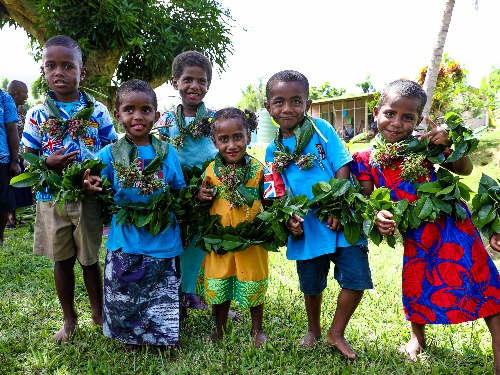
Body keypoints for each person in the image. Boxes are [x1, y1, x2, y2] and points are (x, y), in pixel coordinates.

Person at [350, 79, 500, 372]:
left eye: (408, 117)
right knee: (416, 283)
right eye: (390, 113)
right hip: (417, 236)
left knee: (486, 285)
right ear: (377, 111)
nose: (397, 123)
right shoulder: (365, 159)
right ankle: (417, 339)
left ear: (419, 121)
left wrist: (449, 144)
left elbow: (465, 169)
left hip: (456, 227)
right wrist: (378, 215)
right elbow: (369, 199)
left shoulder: (424, 147)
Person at [264, 70, 373, 359]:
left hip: (341, 218)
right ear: (268, 107)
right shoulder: (271, 149)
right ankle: (313, 329)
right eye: (279, 102)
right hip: (307, 227)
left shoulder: (321, 129)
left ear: (307, 103)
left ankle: (336, 332)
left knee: (356, 278)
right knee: (311, 284)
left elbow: (342, 165)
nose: (287, 108)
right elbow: (276, 190)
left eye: (296, 101)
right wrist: (288, 218)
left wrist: (337, 204)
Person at [21, 35, 118, 343]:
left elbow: (113, 150)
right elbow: (27, 160)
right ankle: (68, 319)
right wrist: (48, 163)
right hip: (52, 199)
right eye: (51, 66)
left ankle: (98, 316)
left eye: (67, 66)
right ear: (44, 70)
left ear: (82, 72)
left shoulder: (98, 110)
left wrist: (99, 179)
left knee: (89, 260)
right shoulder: (36, 114)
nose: (59, 72)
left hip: (88, 197)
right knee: (61, 260)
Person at [83, 79, 186, 348]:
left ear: (156, 115)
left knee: (160, 289)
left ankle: (162, 338)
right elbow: (95, 182)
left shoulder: (166, 152)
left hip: (163, 234)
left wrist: (184, 226)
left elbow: (178, 190)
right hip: (126, 235)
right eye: (129, 109)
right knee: (124, 288)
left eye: (145, 110)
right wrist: (91, 185)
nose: (137, 116)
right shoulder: (109, 154)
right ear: (118, 116)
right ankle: (130, 337)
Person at [195, 107, 268, 348]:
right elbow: (203, 196)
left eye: (238, 137)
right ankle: (220, 327)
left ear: (248, 135)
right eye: (224, 139)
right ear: (214, 141)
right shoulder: (211, 171)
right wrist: (202, 195)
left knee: (253, 281)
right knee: (219, 283)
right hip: (220, 242)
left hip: (251, 241)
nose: (232, 145)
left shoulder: (258, 170)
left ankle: (256, 329)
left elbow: (269, 199)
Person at [155, 51, 219, 315]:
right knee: (179, 241)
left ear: (208, 85)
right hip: (177, 195)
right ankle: (177, 295)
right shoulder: (166, 121)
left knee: (203, 243)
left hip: (211, 192)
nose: (194, 86)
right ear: (174, 82)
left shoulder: (216, 118)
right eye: (187, 79)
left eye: (201, 81)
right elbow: (158, 155)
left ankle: (202, 295)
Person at [6, 80, 32, 229]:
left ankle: (13, 216)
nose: (27, 96)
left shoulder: (22, 110)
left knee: (17, 185)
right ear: (16, 93)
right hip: (6, 155)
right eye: (25, 93)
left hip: (20, 155)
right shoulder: (3, 108)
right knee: (8, 186)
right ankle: (8, 218)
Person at [0, 89, 21, 247]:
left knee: (2, 205)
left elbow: (12, 131)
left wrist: (14, 160)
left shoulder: (5, 98)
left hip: (2, 160)